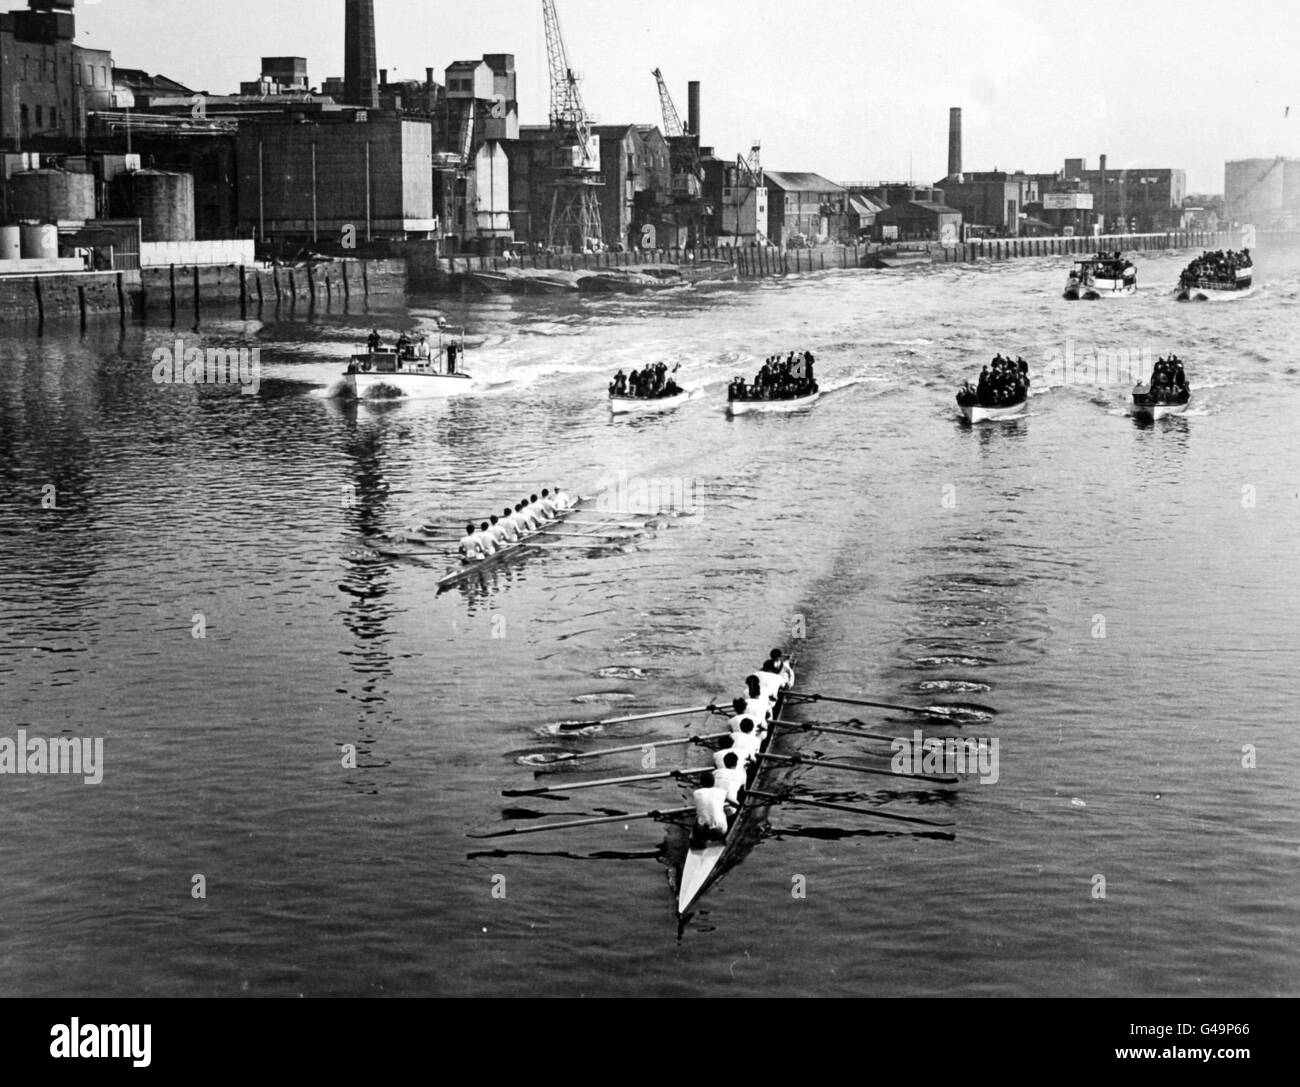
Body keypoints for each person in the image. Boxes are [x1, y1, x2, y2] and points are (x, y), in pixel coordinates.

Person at [692, 773, 731, 843]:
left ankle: (701, 839)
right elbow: (736, 803)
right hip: (721, 829)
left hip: (704, 830)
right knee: (725, 811)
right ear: (714, 782)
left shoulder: (696, 793)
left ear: (701, 783)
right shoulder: (722, 791)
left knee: (697, 817)